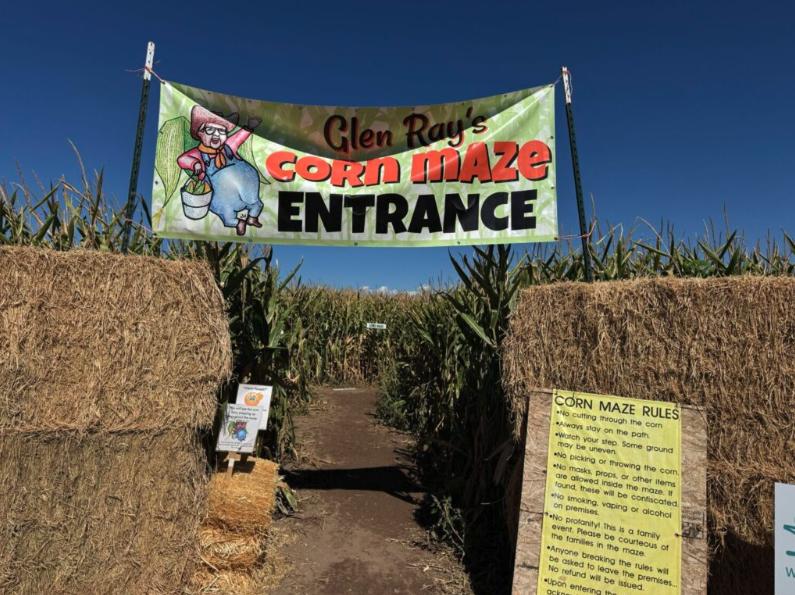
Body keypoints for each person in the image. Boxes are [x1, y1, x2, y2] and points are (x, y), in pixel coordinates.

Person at [177, 105, 263, 236]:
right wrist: (195, 164)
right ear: (199, 133)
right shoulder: (198, 153)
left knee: (256, 204)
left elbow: (239, 137)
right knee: (226, 214)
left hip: (246, 191)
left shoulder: (228, 146)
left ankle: (252, 217)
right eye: (210, 130)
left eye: (221, 131)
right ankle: (237, 223)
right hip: (221, 196)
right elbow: (182, 159)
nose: (216, 134)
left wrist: (249, 128)